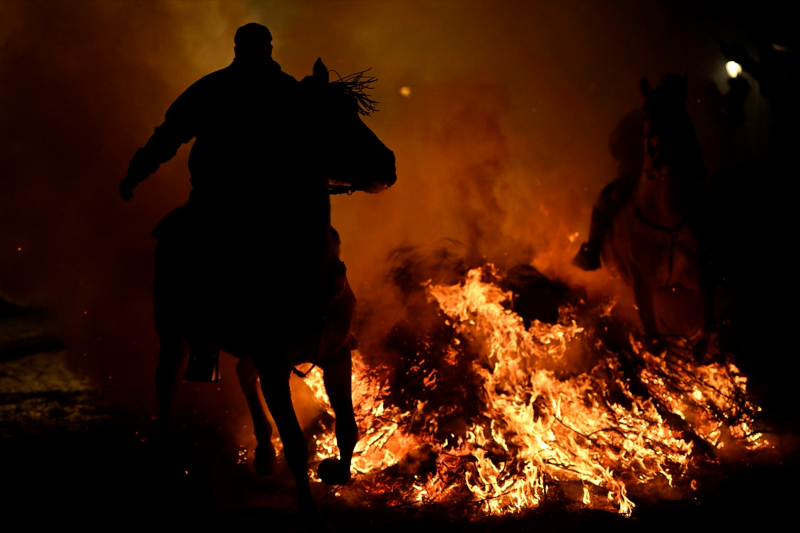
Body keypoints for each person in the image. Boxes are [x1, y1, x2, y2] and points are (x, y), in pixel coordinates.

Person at [120, 23, 317, 380]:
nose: (258, 55)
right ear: (239, 49)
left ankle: (326, 332)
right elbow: (168, 136)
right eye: (252, 49)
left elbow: (317, 138)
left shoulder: (287, 92)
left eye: (262, 49)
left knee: (322, 246)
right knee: (199, 257)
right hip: (220, 197)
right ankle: (204, 342)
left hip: (275, 197)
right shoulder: (214, 90)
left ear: (270, 49)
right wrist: (137, 172)